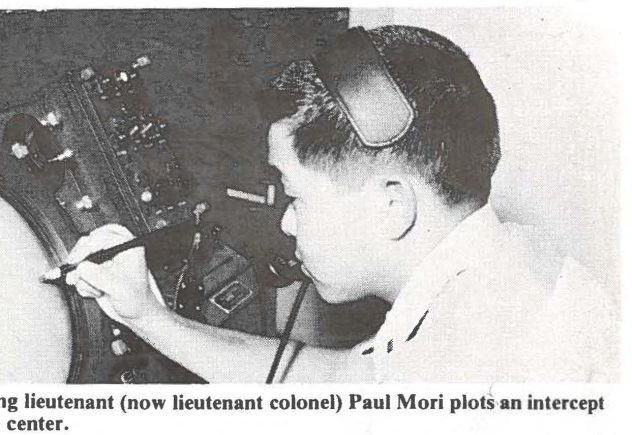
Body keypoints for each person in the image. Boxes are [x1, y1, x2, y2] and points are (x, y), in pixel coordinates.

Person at [62, 25, 617, 383]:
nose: (286, 219)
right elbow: (336, 384)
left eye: (296, 194)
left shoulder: (475, 366)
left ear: (392, 205)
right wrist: (149, 317)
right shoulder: (502, 272)